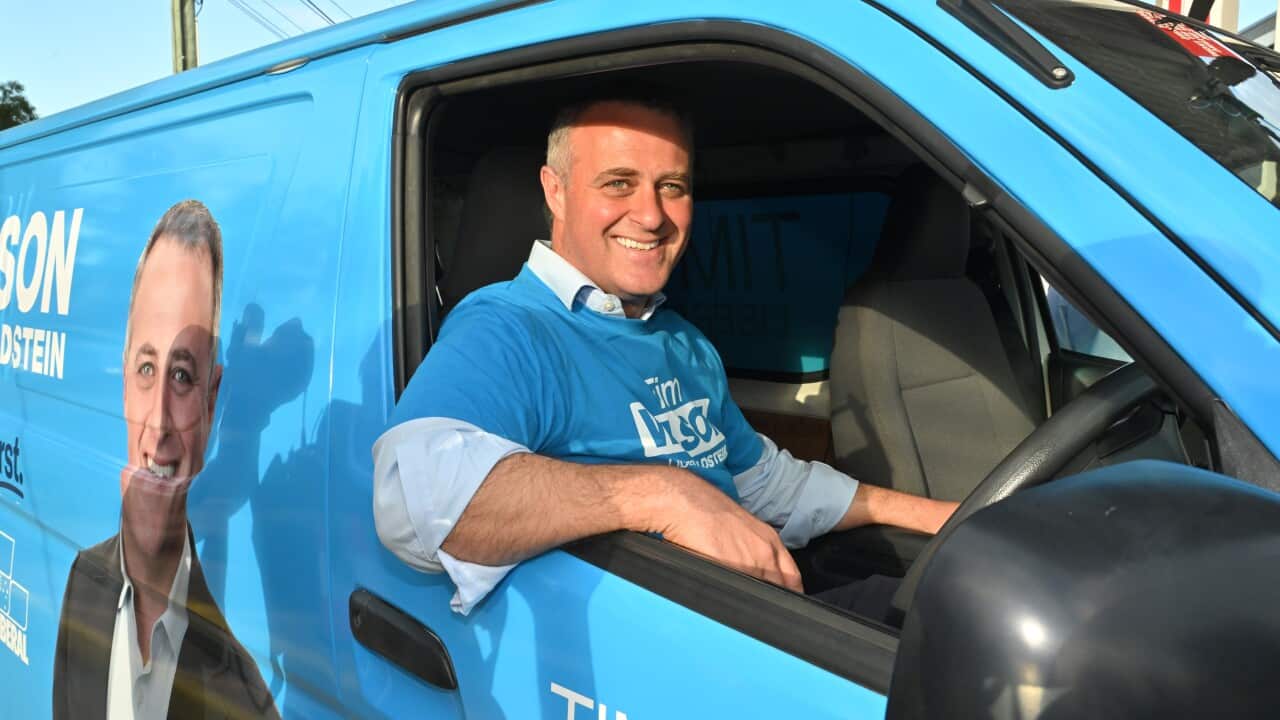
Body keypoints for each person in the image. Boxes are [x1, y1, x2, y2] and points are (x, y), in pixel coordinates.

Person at [372, 95, 958, 617]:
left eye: (672, 186)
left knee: (960, 606)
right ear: (555, 189)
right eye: (618, 183)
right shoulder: (508, 325)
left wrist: (939, 518)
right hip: (674, 650)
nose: (652, 216)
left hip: (770, 620)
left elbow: (767, 485)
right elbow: (412, 508)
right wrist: (663, 494)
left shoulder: (684, 340)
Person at [52, 201, 278, 720]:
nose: (157, 422)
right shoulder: (82, 583)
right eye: (146, 367)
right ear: (123, 385)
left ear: (212, 399)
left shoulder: (245, 698)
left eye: (181, 375)